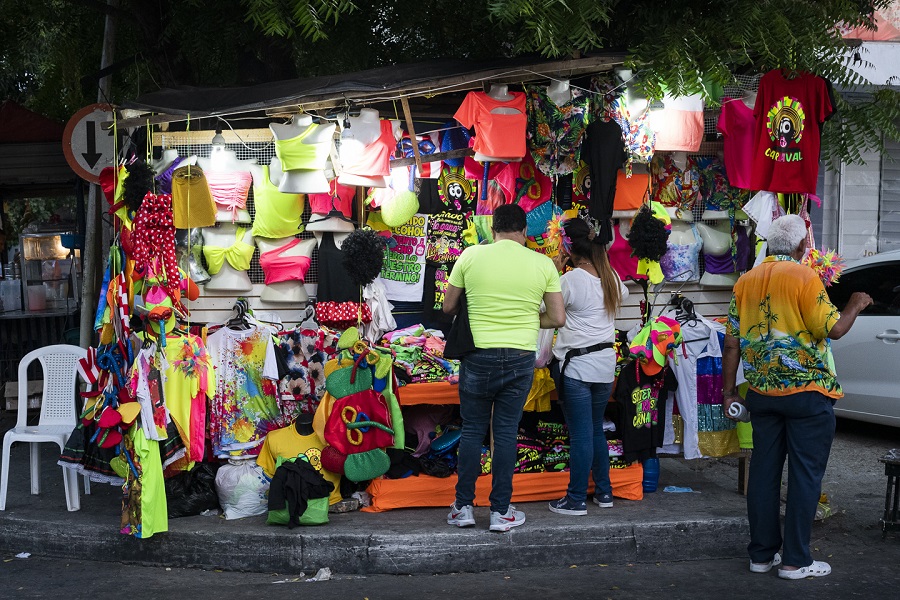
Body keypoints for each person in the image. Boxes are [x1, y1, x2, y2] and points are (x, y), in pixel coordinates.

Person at [722, 214, 873, 580]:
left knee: (763, 474)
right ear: (803, 246)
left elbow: (731, 343)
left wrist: (728, 392)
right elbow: (833, 329)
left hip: (762, 393)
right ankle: (794, 561)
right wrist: (855, 303)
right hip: (807, 394)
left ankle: (761, 556)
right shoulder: (806, 276)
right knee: (805, 477)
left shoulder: (745, 281)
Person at [442, 204, 565, 531]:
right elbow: (557, 317)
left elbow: (448, 305)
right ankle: (500, 512)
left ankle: (464, 507)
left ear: (493, 229)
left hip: (477, 354)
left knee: (471, 430)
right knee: (506, 432)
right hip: (520, 356)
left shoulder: (470, 256)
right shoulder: (542, 264)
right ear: (525, 232)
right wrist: (526, 319)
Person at [548, 217, 627, 515]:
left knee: (581, 434)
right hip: (606, 366)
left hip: (578, 368)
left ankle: (576, 498)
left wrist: (552, 270)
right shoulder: (611, 278)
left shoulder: (568, 281)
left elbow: (546, 309)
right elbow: (624, 294)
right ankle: (604, 492)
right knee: (595, 430)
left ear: (567, 247)